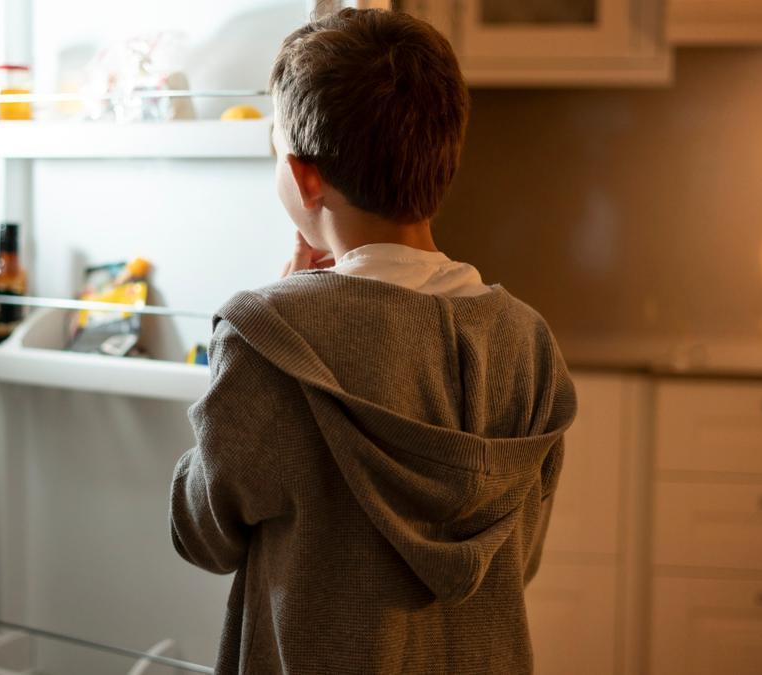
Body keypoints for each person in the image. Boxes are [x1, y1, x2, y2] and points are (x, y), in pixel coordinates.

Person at [169, 8, 576, 673]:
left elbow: (203, 533)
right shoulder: (526, 341)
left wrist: (275, 311)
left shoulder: (266, 342)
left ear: (303, 175)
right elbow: (515, 560)